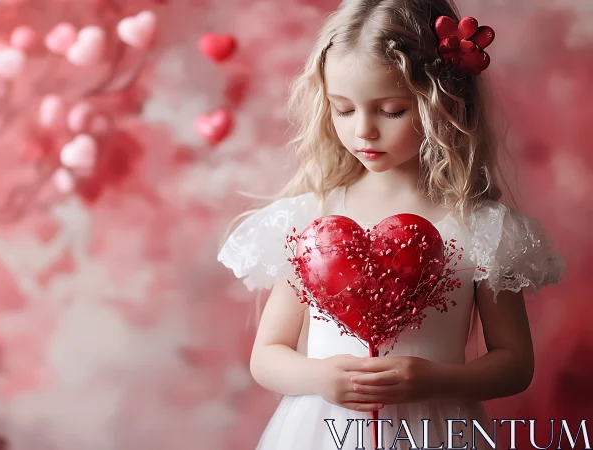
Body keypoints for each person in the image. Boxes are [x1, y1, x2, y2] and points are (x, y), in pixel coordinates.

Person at [216, 1, 567, 449]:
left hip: (434, 430)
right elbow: (267, 356)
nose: (363, 130)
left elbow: (515, 363)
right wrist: (320, 376)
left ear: (442, 103)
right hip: (322, 433)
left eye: (391, 110)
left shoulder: (479, 227)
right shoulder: (312, 218)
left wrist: (434, 379)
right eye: (344, 110)